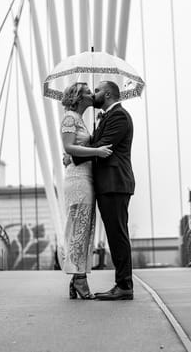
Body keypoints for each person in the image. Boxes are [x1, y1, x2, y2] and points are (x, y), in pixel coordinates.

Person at [72, 80, 135, 301]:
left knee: (117, 235)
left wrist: (72, 154)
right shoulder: (107, 116)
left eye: (97, 91)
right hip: (108, 184)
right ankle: (122, 284)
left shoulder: (118, 116)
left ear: (107, 94)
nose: (94, 94)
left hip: (115, 183)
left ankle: (124, 285)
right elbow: (98, 146)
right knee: (115, 234)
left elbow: (104, 145)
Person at [60, 82, 112, 300]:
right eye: (88, 92)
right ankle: (80, 279)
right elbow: (68, 147)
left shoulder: (80, 119)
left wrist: (76, 154)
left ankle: (76, 278)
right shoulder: (70, 118)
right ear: (79, 97)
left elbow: (72, 151)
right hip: (78, 180)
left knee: (84, 228)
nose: (92, 94)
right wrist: (97, 151)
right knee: (80, 228)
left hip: (86, 177)